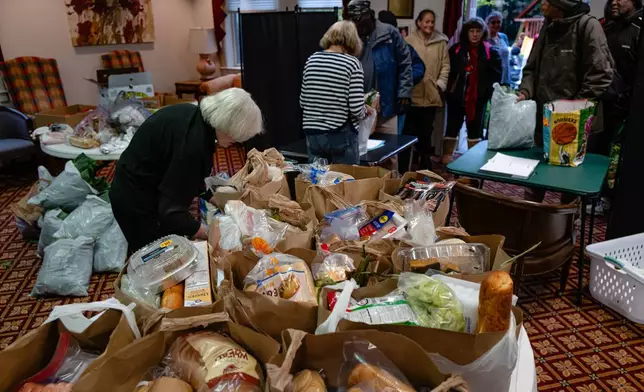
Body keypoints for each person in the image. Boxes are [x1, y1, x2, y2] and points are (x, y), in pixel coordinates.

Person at [110, 89, 263, 251]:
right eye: (236, 136)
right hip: (134, 201)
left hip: (139, 183)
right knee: (156, 255)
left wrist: (215, 199)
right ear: (227, 125)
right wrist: (210, 233)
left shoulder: (195, 116)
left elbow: (189, 176)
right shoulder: (194, 147)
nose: (237, 141)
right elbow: (171, 213)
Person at [518, 0, 614, 202]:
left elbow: (601, 74)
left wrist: (572, 109)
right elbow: (530, 68)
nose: (542, 2)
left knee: (570, 188)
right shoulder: (547, 26)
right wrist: (525, 91)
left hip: (576, 125)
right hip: (543, 122)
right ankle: (528, 228)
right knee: (533, 183)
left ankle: (565, 230)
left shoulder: (588, 26)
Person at [348, 0, 412, 170]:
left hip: (387, 105)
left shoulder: (389, 33)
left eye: (360, 20)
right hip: (361, 107)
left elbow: (406, 63)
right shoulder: (351, 36)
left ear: (369, 15)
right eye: (353, 20)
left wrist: (404, 92)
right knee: (362, 153)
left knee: (390, 155)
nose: (357, 25)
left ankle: (392, 190)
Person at [300, 21, 370, 164]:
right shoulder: (352, 64)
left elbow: (303, 101)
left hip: (312, 133)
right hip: (340, 134)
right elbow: (356, 108)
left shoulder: (312, 60)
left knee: (318, 182)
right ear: (352, 40)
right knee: (345, 182)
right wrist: (366, 110)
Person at [444, 17, 502, 163]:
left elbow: (495, 77)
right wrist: (449, 92)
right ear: (466, 32)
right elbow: (449, 72)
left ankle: (473, 159)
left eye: (478, 31)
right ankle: (447, 156)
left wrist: (485, 94)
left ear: (483, 32)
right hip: (456, 97)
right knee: (452, 126)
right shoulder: (456, 50)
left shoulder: (490, 52)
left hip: (477, 100)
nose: (475, 34)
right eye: (471, 31)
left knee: (475, 129)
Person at [403, 9, 450, 170]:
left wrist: (439, 85)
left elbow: (445, 66)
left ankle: (425, 163)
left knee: (426, 132)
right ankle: (410, 163)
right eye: (426, 21)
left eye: (432, 22)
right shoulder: (408, 41)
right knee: (410, 131)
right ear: (419, 22)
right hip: (413, 95)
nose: (429, 25)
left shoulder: (441, 43)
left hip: (431, 95)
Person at [377, 10, 427, 135]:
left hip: (397, 101)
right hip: (375, 102)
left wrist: (403, 80)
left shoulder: (403, 47)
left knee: (393, 143)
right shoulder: (370, 46)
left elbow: (419, 68)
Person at [486, 11, 521, 86]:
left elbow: (508, 56)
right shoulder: (485, 39)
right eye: (493, 22)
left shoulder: (503, 37)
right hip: (492, 77)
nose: (496, 25)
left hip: (505, 76)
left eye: (498, 22)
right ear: (488, 24)